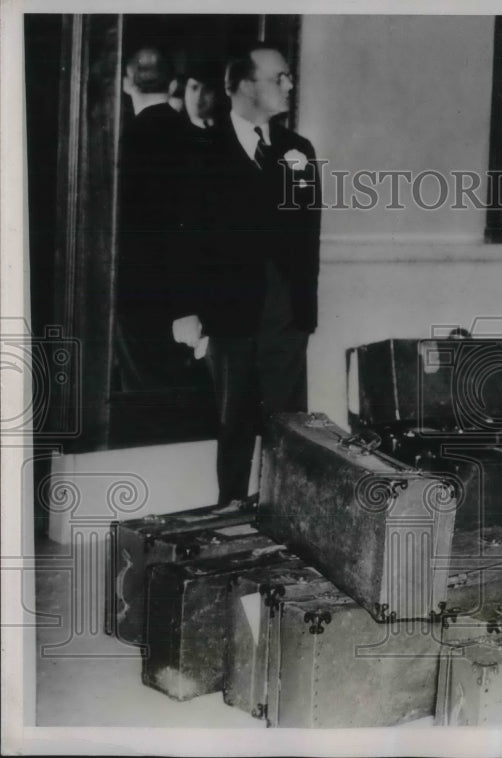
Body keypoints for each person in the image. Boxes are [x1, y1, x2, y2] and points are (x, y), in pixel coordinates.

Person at [174, 42, 322, 505]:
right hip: (229, 315)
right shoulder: (199, 151)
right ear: (241, 85)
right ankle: (230, 517)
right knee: (233, 425)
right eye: (278, 77)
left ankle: (286, 519)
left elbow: (305, 238)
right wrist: (185, 311)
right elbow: (180, 241)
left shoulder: (298, 151)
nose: (289, 85)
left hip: (286, 317)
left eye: (288, 77)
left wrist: (303, 313)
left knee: (288, 427)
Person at [117, 46, 207, 394]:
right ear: (173, 85)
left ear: (126, 82)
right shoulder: (193, 138)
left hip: (133, 295)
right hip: (179, 299)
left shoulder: (122, 139)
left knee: (142, 401)